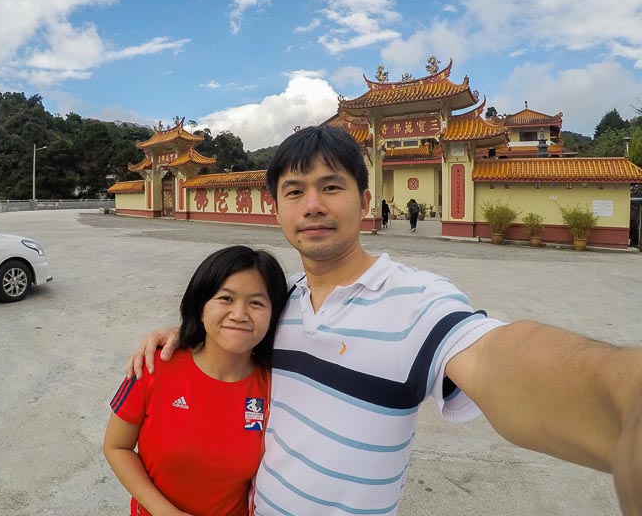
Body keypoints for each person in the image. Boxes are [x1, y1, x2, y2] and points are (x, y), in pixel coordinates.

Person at [127, 125, 642, 516]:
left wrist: (624, 404)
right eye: (294, 191)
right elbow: (232, 332)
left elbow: (498, 357)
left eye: (331, 187)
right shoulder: (282, 301)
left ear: (365, 200)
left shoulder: (418, 301)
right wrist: (186, 335)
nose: (312, 205)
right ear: (275, 207)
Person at [105, 245, 288, 516]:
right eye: (225, 298)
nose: (239, 314)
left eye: (256, 303)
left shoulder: (276, 387)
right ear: (200, 307)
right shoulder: (155, 365)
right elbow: (116, 446)